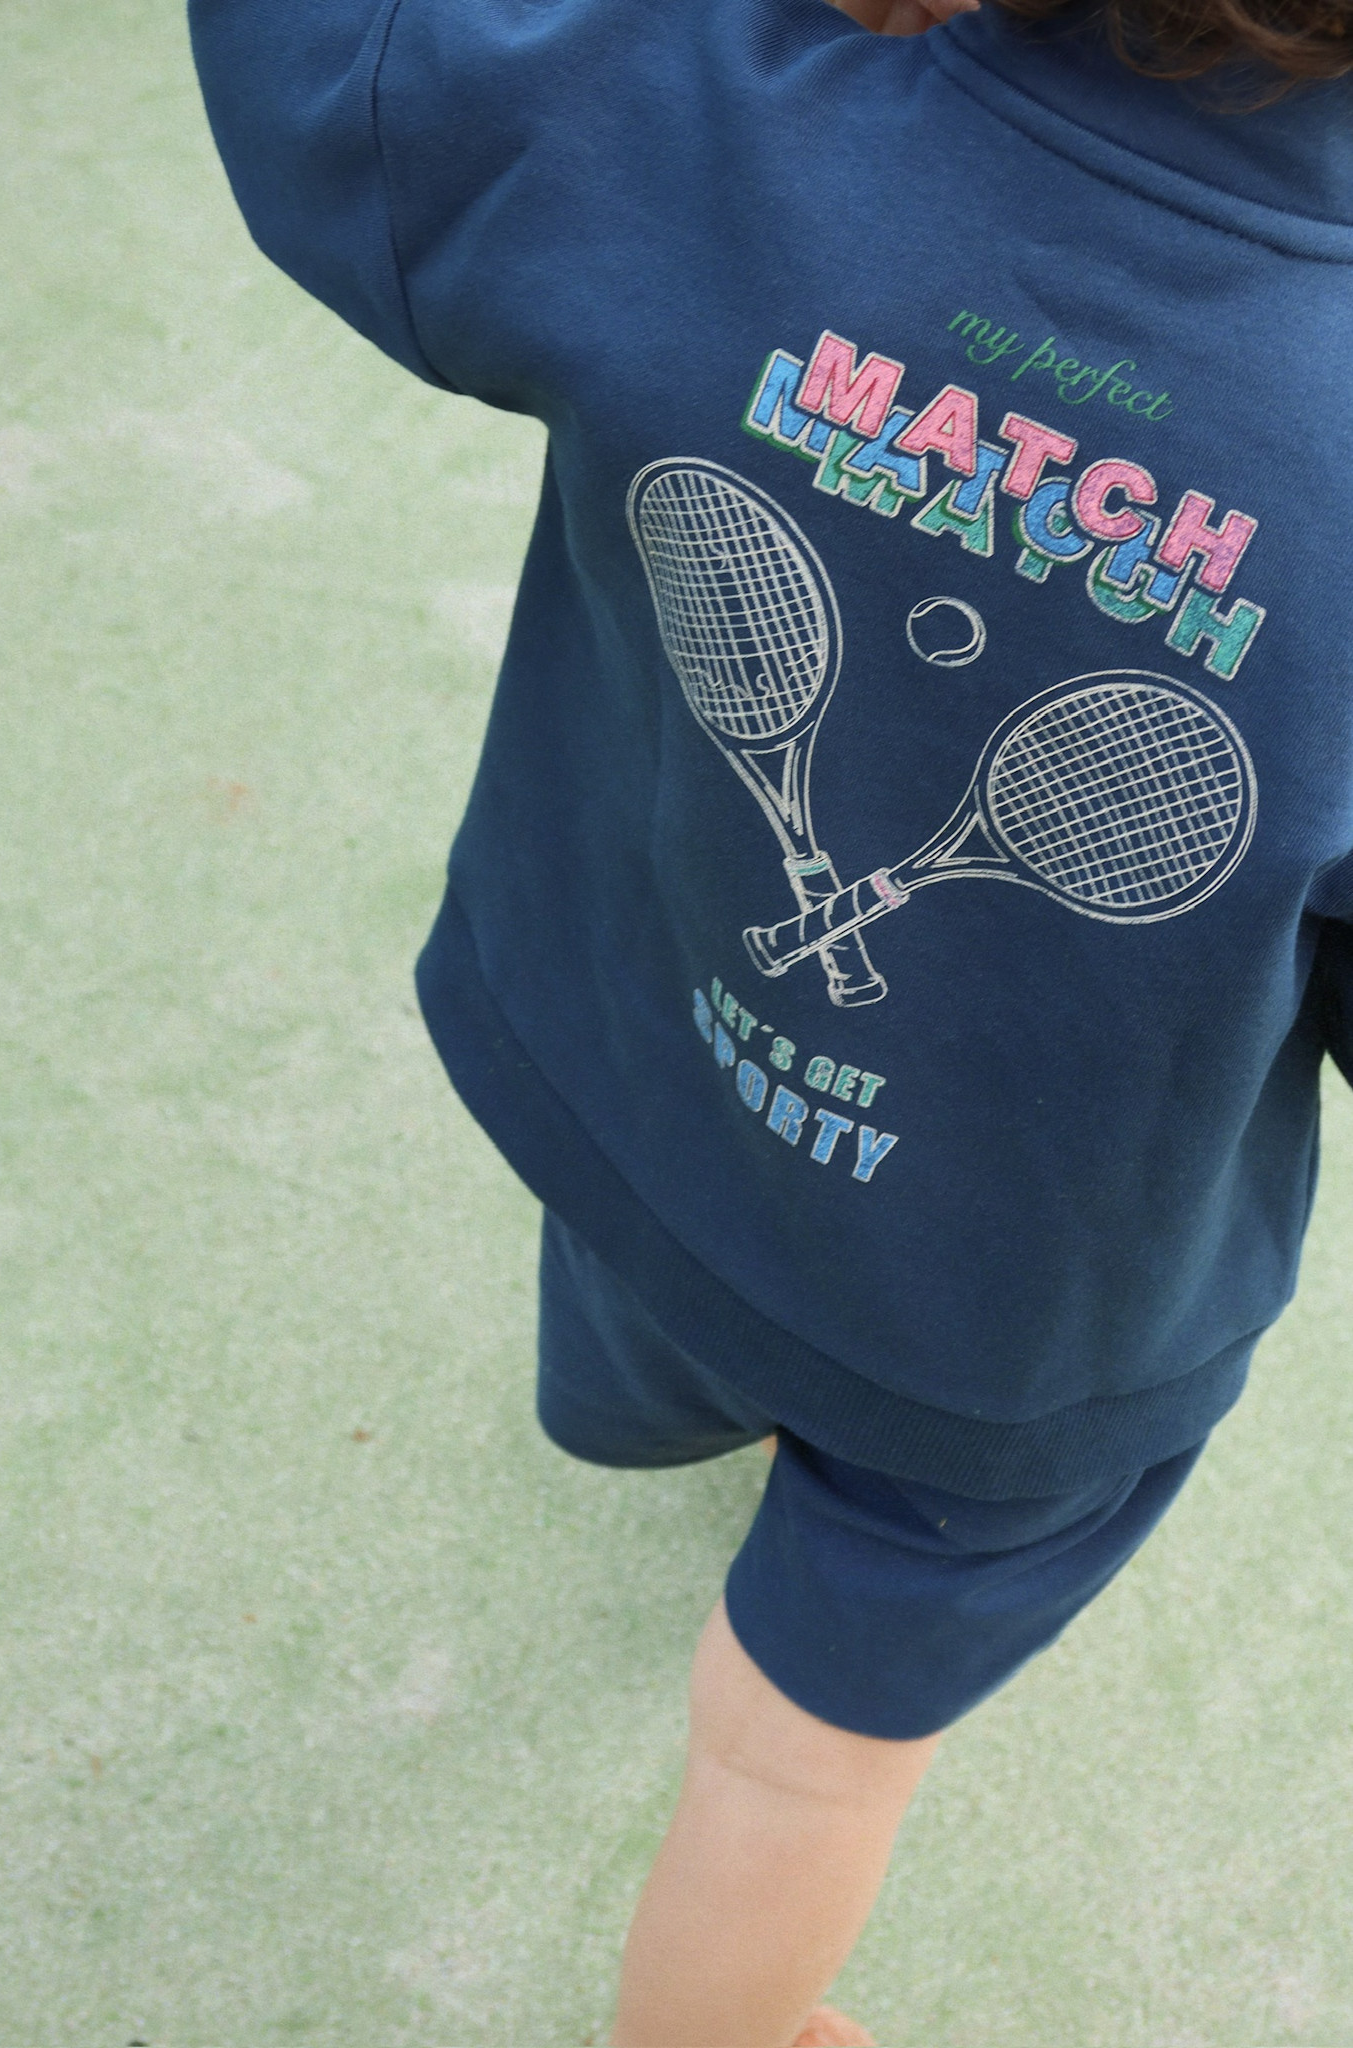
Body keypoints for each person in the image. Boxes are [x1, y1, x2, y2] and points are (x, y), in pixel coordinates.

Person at [188, 0, 1353, 2038]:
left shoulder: (659, 90)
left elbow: (327, 61)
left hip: (640, 1068)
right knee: (793, 1760)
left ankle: (660, 1405)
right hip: (1008, 1322)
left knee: (672, 1286)